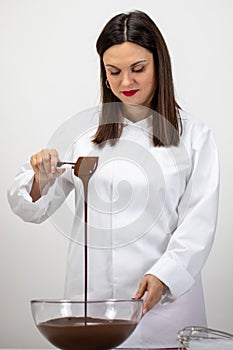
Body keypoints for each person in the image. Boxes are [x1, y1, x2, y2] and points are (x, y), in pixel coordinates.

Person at [8, 10, 219, 349]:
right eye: (113, 71)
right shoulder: (85, 137)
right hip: (92, 309)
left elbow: (199, 223)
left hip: (163, 309)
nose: (126, 83)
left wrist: (165, 275)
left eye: (138, 69)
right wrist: (39, 177)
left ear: (159, 65)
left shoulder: (194, 137)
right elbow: (32, 208)